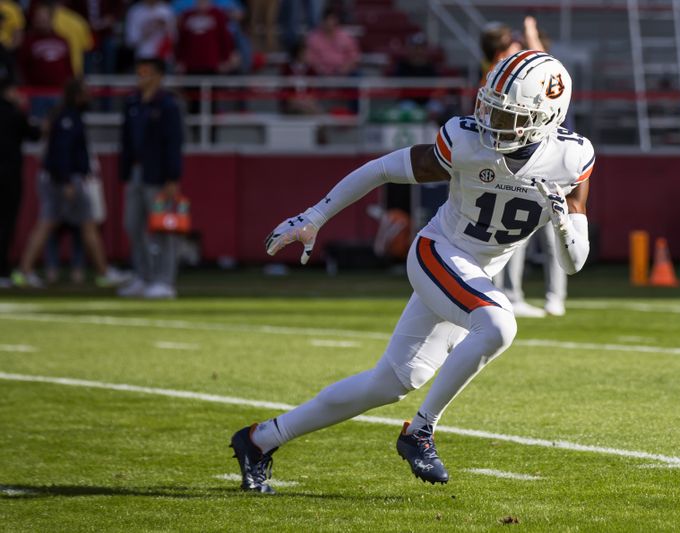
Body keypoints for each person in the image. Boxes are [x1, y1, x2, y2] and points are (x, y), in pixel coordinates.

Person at [229, 51, 594, 493]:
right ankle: (421, 430)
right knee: (498, 324)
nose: (492, 120)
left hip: (475, 276)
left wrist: (561, 224)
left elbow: (573, 264)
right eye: (491, 106)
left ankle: (260, 439)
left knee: (389, 383)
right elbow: (384, 168)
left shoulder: (571, 160)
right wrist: (315, 216)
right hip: (437, 251)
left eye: (509, 115)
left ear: (547, 118)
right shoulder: (466, 140)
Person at [480, 17, 567, 318]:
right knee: (514, 231)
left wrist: (530, 35)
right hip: (515, 157)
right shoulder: (500, 75)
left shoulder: (540, 76)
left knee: (557, 229)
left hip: (546, 156)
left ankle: (554, 296)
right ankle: (510, 294)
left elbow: (548, 67)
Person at [12, 78, 124, 288]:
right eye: (85, 92)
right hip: (65, 179)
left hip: (62, 178)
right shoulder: (68, 118)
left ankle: (24, 270)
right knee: (81, 225)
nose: (89, 96)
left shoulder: (67, 116)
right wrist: (66, 181)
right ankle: (103, 272)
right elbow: (61, 152)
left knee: (52, 225)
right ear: (76, 95)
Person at [118, 57, 184, 299]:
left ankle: (164, 280)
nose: (140, 77)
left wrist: (172, 177)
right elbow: (126, 140)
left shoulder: (167, 105)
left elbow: (174, 143)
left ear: (158, 76)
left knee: (163, 228)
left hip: (158, 174)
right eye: (138, 72)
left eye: (145, 72)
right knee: (133, 225)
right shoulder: (133, 102)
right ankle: (143, 276)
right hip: (136, 171)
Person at [0, 80, 40, 288]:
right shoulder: (14, 114)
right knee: (6, 223)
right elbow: (34, 134)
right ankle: (2, 271)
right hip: (8, 176)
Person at [175, 0, 236, 74]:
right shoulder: (188, 15)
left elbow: (224, 39)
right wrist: (180, 60)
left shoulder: (218, 15)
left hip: (213, 64)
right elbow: (182, 40)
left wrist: (225, 59)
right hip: (191, 64)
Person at [304, 7, 359, 77]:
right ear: (322, 21)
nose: (329, 23)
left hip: (343, 73)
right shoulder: (313, 38)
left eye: (332, 19)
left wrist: (344, 69)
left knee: (357, 75)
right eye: (327, 20)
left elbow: (354, 57)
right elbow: (309, 58)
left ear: (336, 21)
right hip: (319, 74)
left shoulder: (346, 37)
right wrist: (319, 69)